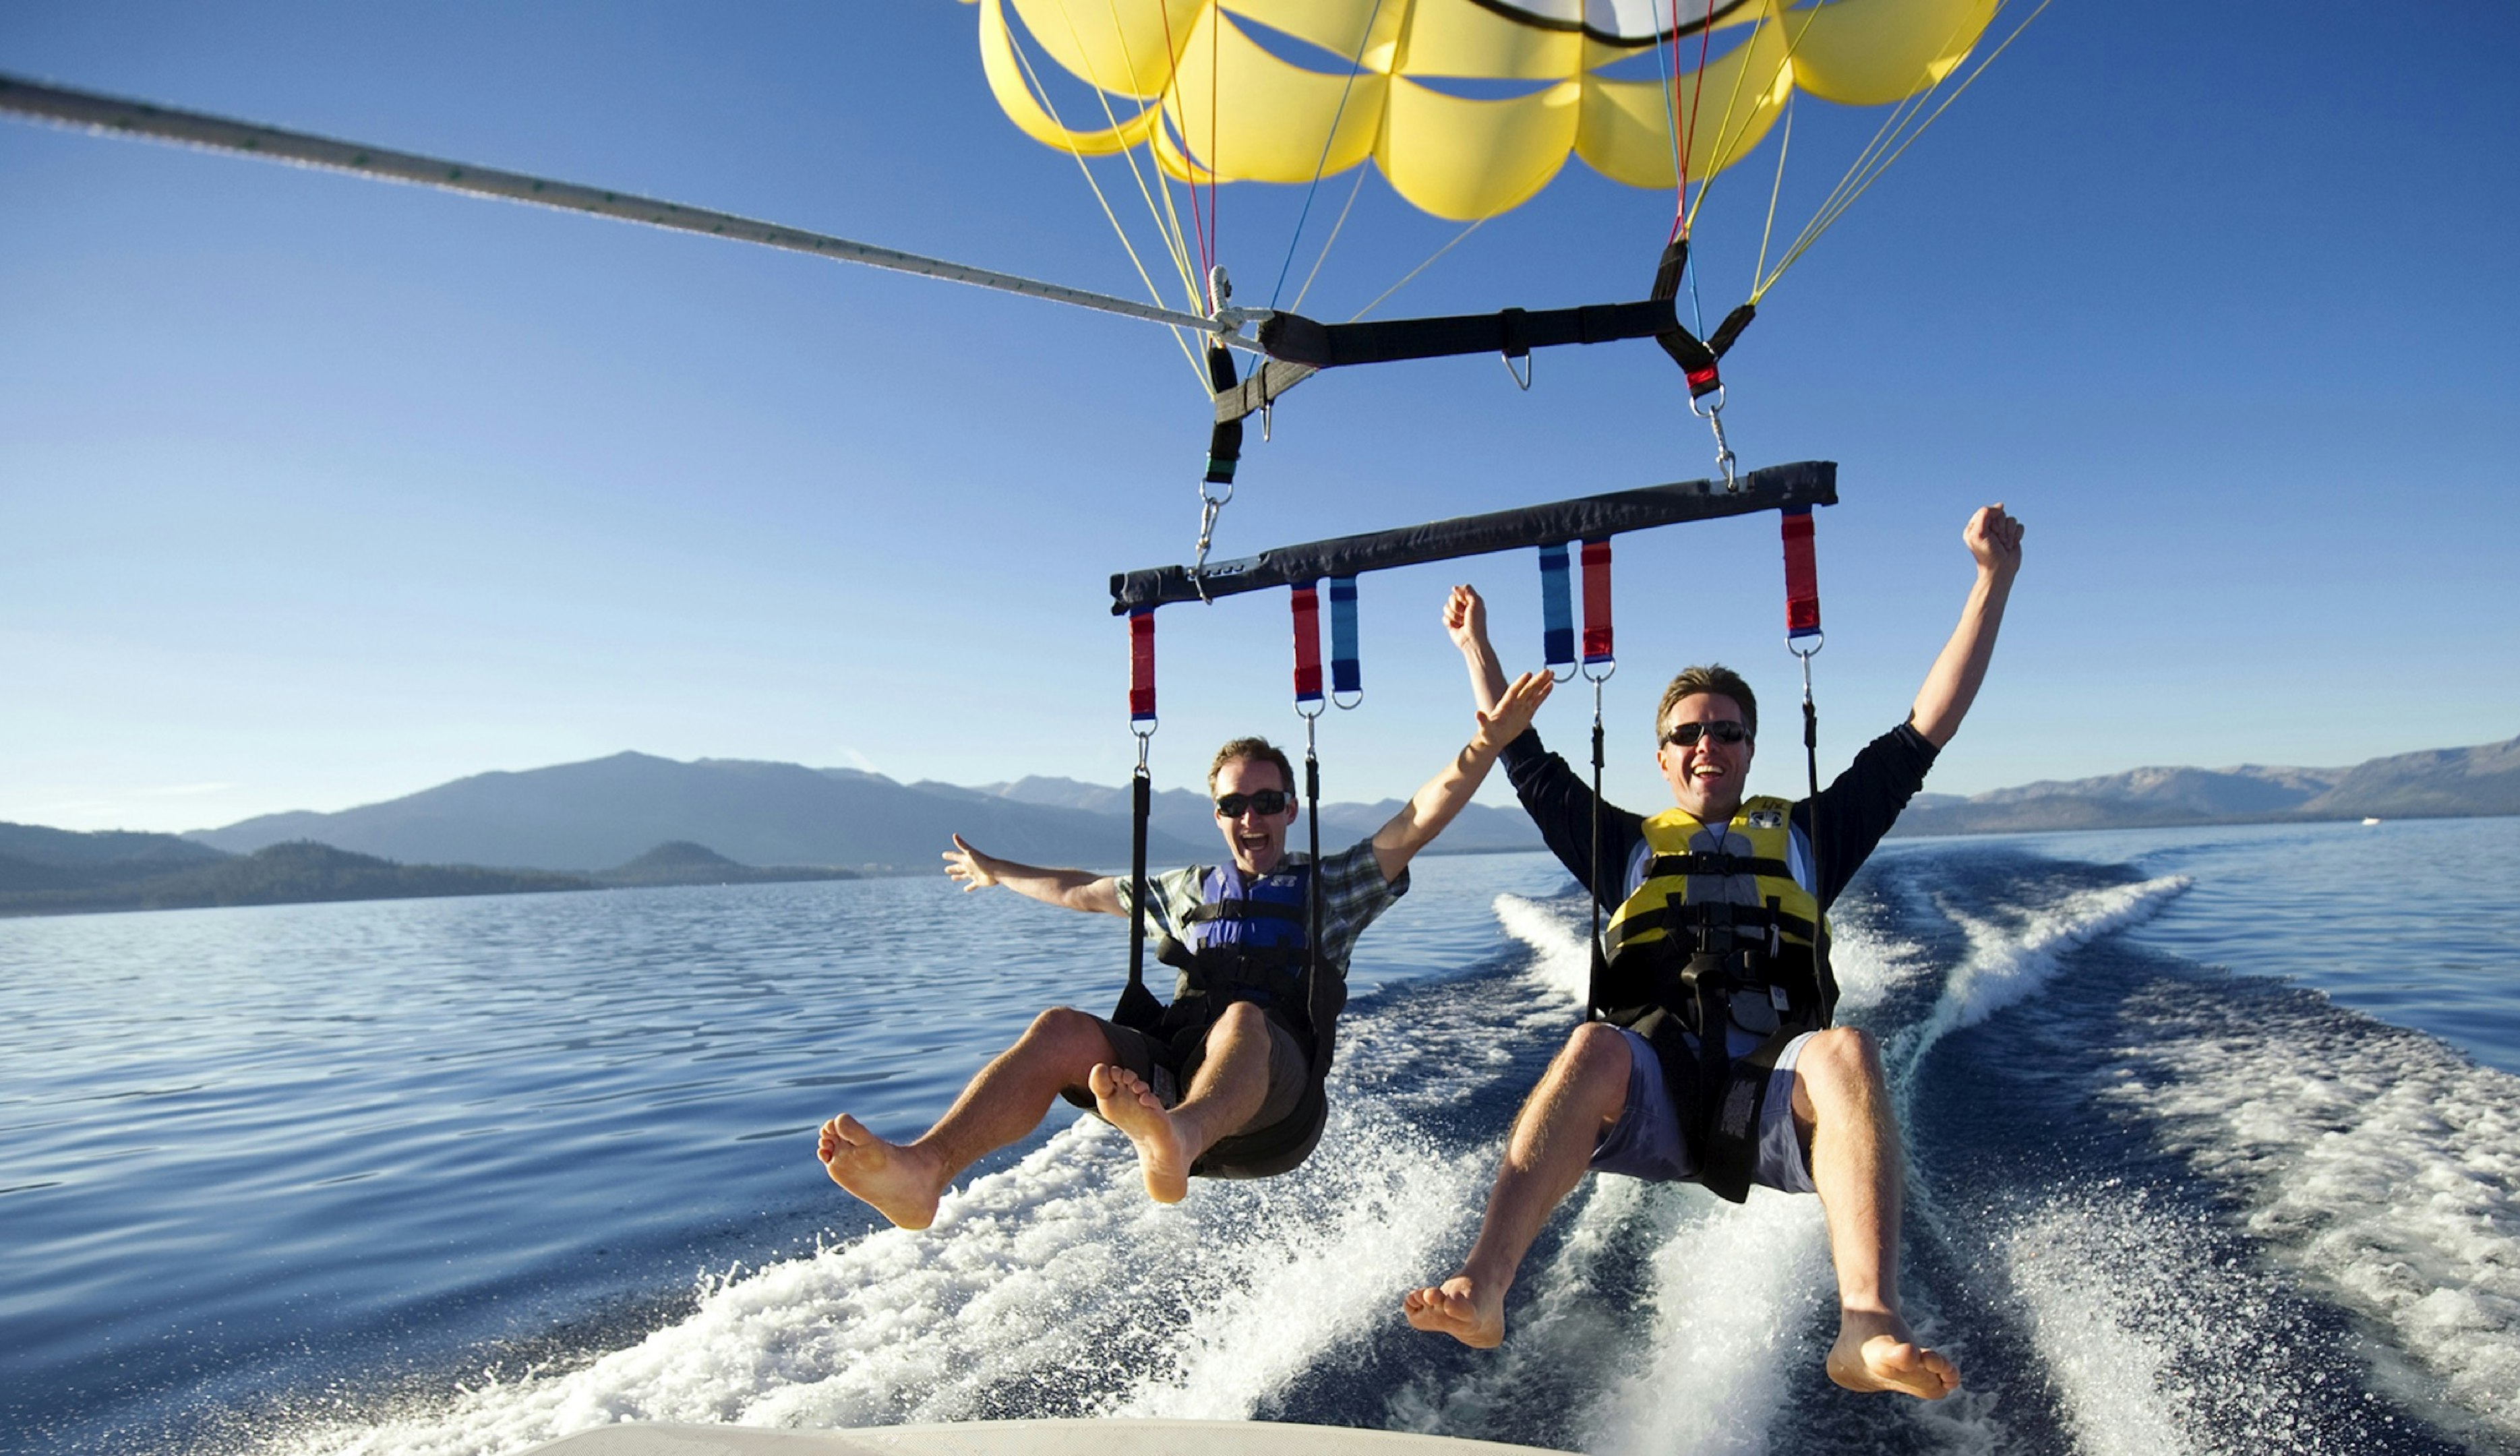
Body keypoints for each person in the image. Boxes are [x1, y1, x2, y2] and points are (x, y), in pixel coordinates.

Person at [1402, 504, 2024, 1401]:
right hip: (1651, 1092)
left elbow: (1927, 726)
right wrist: (1477, 649)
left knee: (1849, 1049)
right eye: (1689, 733)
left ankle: (1867, 1325)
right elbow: (1523, 755)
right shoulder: (1622, 848)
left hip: (1773, 1096)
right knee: (1590, 1043)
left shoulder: (1813, 834)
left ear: (1749, 750)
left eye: (1726, 731)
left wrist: (1989, 583)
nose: (1707, 744)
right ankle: (1486, 1288)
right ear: (1660, 757)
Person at [818, 667, 1555, 1229]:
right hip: (1172, 1084)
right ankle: (926, 1170)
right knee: (1059, 1030)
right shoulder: (1183, 890)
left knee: (1242, 1020)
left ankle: (1176, 1136)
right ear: (1217, 814)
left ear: (1291, 810)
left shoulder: (1336, 886)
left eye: (1267, 802)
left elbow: (1420, 816)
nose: (1251, 816)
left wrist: (1488, 741)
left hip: (1274, 1113)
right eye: (1235, 804)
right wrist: (997, 871)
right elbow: (1080, 890)